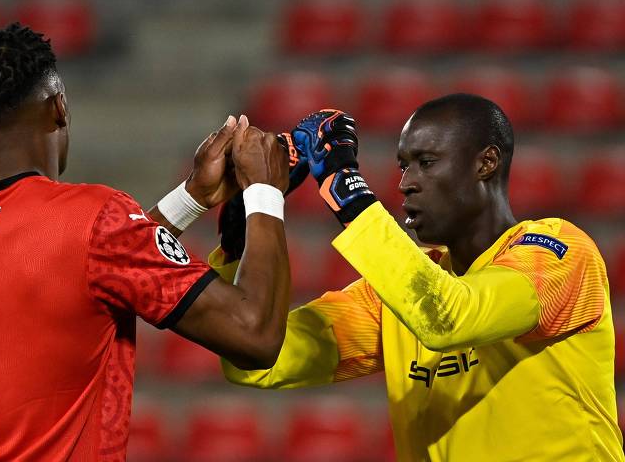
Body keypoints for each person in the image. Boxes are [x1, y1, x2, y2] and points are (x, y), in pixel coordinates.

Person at [0, 23, 292, 461]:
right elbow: (255, 336)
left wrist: (191, 198)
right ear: (59, 108)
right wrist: (264, 191)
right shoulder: (93, 220)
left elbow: (77, 269)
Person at [216, 97, 624, 461]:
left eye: (426, 163)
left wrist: (344, 186)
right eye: (403, 166)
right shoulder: (397, 294)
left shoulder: (559, 254)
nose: (404, 183)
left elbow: (449, 318)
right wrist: (244, 227)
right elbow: (256, 359)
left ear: (487, 163)